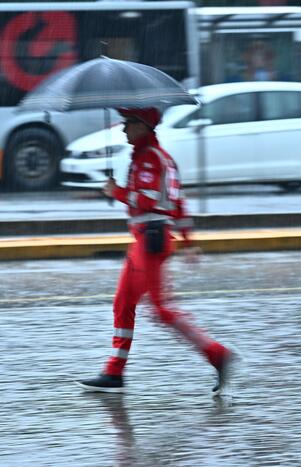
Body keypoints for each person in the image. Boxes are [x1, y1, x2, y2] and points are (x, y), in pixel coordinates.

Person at [76, 107, 234, 395]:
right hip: (145, 241)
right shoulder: (156, 157)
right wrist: (187, 241)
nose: (124, 130)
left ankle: (217, 354)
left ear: (144, 126)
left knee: (161, 310)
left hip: (151, 242)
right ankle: (114, 372)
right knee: (123, 303)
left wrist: (117, 192)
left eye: (128, 124)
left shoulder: (149, 159)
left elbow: (146, 200)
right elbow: (179, 204)